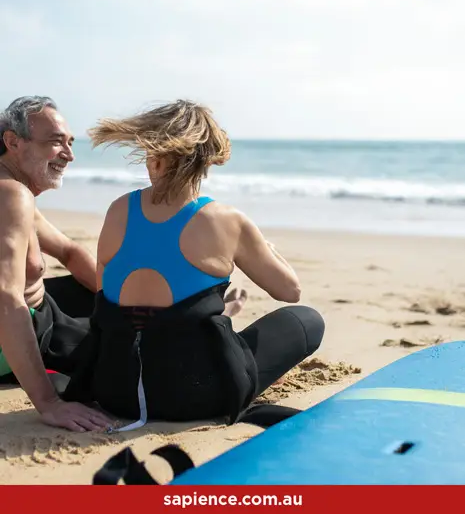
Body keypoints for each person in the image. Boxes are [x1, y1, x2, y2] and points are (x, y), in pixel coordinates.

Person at [67, 99, 325, 428]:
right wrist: (266, 248)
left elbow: (113, 301)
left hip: (113, 391)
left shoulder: (118, 210)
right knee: (306, 320)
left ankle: (216, 325)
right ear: (206, 160)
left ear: (156, 157)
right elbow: (290, 290)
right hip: (196, 395)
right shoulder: (225, 219)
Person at [0, 96, 113, 432]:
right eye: (55, 142)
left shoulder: (13, 190)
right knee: (123, 353)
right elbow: (5, 296)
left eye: (70, 142)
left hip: (38, 311)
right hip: (13, 333)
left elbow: (68, 252)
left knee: (101, 297)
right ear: (13, 142)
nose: (69, 154)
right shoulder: (11, 197)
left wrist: (128, 303)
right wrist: (48, 403)